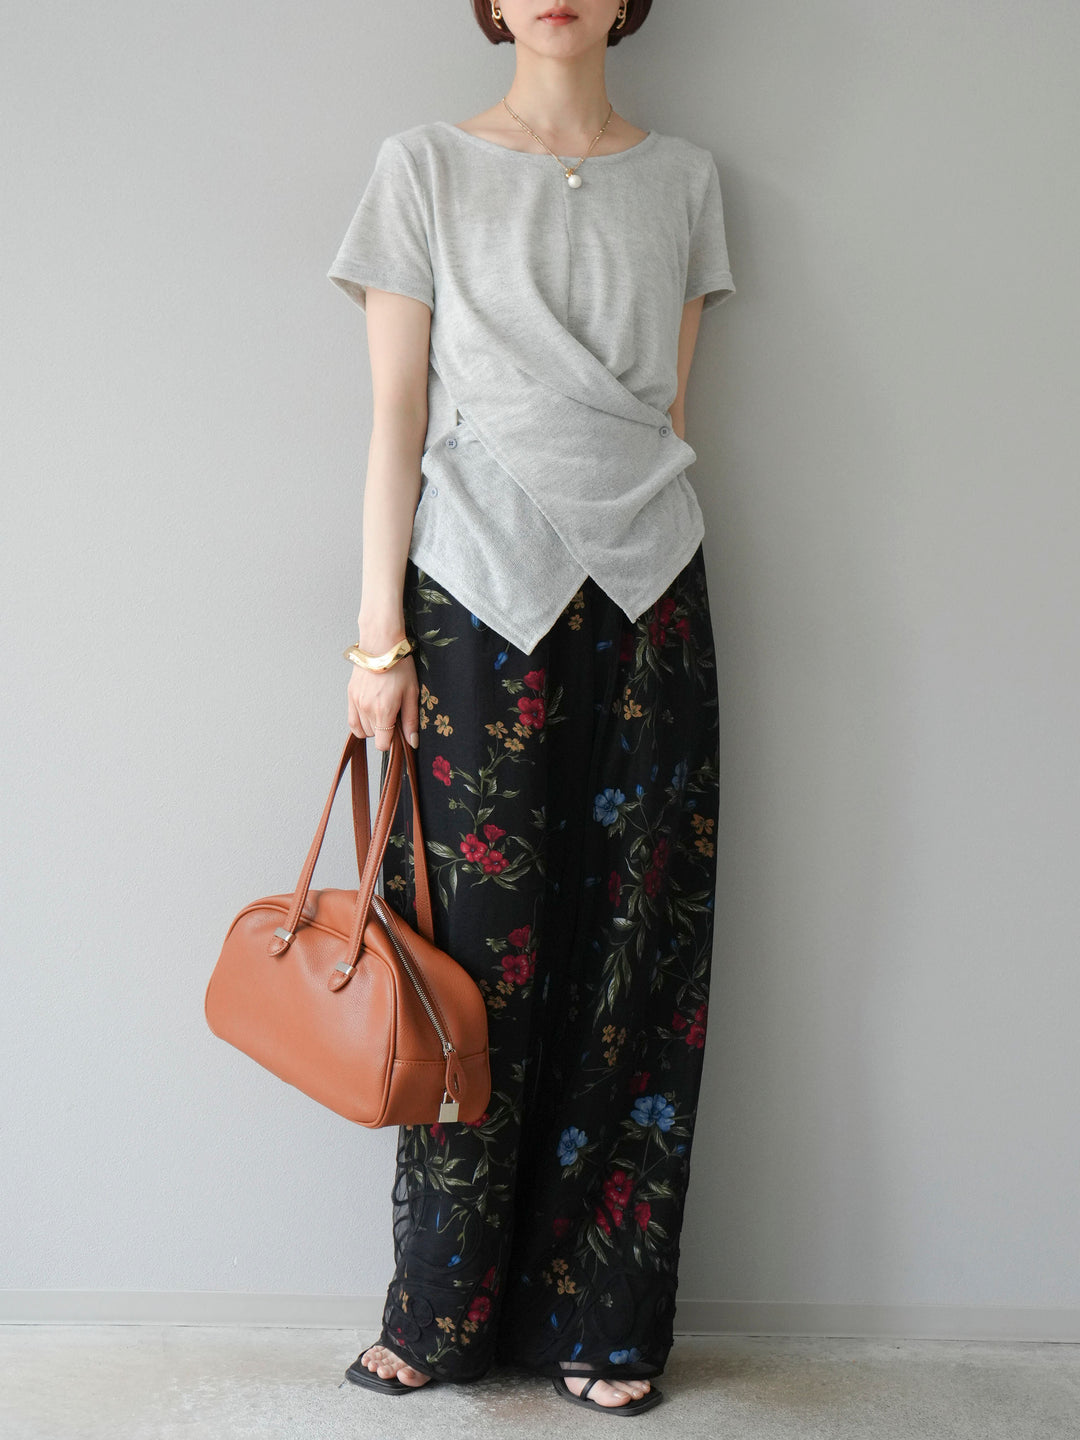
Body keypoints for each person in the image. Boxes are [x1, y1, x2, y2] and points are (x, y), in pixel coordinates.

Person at [326, 0, 734, 1416]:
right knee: (467, 966)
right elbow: (396, 417)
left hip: (650, 593)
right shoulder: (423, 167)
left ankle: (604, 1321)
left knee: (638, 955)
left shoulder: (686, 181)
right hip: (472, 596)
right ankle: (440, 1314)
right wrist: (376, 641)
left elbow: (668, 413)